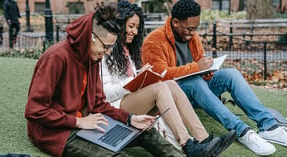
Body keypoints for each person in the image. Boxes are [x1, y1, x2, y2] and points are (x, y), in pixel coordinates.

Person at [24, 3, 185, 157]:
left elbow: (99, 104)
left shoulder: (93, 58)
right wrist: (77, 122)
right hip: (56, 133)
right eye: (105, 46)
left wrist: (130, 119)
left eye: (111, 47)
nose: (107, 52)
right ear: (92, 37)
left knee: (146, 131)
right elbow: (34, 110)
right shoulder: (56, 57)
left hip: (90, 123)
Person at [142, 0, 287, 156]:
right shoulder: (153, 40)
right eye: (189, 29)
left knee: (231, 74)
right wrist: (197, 68)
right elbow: (159, 76)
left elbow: (199, 61)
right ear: (176, 22)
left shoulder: (192, 36)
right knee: (194, 82)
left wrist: (207, 71)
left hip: (197, 88)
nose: (193, 33)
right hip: (173, 97)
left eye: (195, 29)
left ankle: (269, 126)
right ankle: (243, 132)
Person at [101, 1, 236, 157]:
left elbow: (130, 81)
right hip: (116, 108)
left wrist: (141, 77)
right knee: (160, 88)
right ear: (118, 24)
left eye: (137, 27)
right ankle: (187, 145)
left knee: (170, 84)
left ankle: (203, 139)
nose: (135, 31)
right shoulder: (105, 51)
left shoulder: (127, 50)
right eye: (131, 26)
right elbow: (106, 94)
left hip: (130, 100)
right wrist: (134, 81)